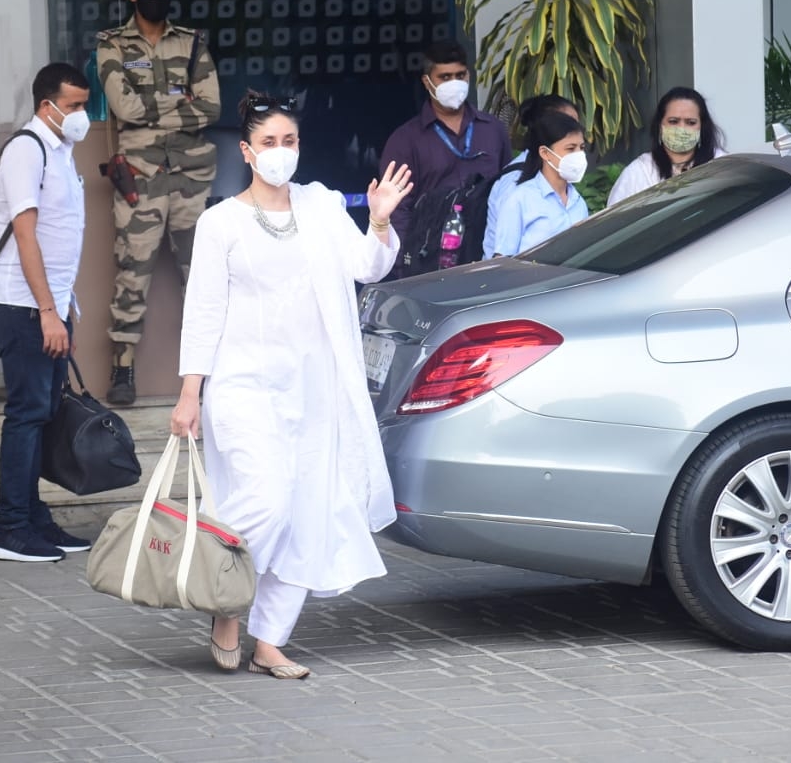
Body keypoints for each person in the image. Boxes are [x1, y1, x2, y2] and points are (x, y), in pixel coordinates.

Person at [170, 91, 413, 678]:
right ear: (248, 152)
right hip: (243, 386)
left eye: (290, 141)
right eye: (269, 143)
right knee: (266, 500)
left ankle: (270, 640)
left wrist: (378, 219)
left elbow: (367, 267)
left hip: (314, 387)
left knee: (308, 508)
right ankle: (225, 602)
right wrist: (189, 391)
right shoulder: (220, 222)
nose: (281, 153)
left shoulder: (323, 207)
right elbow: (203, 310)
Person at [97, 0, 221, 406]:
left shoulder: (191, 43)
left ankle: (205, 373)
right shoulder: (111, 44)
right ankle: (123, 367)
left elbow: (212, 108)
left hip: (191, 175)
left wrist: (154, 106)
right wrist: (177, 105)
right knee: (133, 271)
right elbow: (124, 109)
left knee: (203, 277)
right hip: (143, 177)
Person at [0, 63, 93, 563]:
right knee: (27, 414)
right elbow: (26, 235)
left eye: (83, 105)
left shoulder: (61, 151)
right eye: (72, 106)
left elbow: (61, 233)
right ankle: (10, 527)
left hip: (49, 303)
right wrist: (47, 310)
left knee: (44, 413)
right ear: (45, 105)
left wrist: (64, 304)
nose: (80, 115)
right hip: (22, 303)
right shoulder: (25, 151)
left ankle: (33, 517)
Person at [379, 40, 511, 271]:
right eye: (445, 77)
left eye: (460, 75)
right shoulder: (405, 140)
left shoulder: (493, 130)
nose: (455, 83)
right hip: (429, 261)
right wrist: (406, 263)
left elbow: (509, 191)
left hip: (486, 257)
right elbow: (397, 208)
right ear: (427, 81)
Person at [483, 111, 589, 258]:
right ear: (545, 153)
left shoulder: (578, 203)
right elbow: (502, 259)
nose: (579, 155)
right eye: (570, 149)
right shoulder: (521, 198)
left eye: (581, 148)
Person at [606, 86, 726, 206]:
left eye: (690, 123)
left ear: (702, 127)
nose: (681, 129)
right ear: (660, 125)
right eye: (673, 121)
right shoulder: (639, 171)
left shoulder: (721, 165)